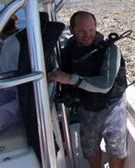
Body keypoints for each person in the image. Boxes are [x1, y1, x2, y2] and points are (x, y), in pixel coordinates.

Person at [48, 11, 127, 168]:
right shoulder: (69, 50)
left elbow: (105, 85)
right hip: (87, 106)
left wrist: (70, 79)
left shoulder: (110, 50)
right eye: (81, 31)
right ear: (72, 30)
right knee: (89, 148)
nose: (87, 35)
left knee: (116, 149)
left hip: (112, 106)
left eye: (91, 30)